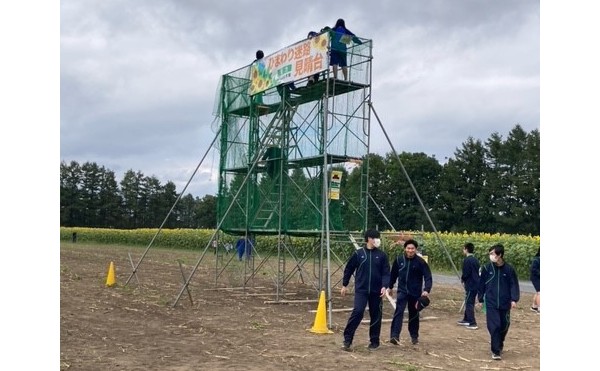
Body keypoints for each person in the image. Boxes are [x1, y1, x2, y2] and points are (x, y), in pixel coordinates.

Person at [341, 229, 390, 351]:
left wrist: (385, 286)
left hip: (376, 291)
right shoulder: (359, 254)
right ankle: (347, 339)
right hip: (361, 290)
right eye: (375, 238)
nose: (377, 240)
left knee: (376, 315)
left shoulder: (382, 255)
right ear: (368, 239)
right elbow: (349, 269)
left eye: (378, 238)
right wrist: (344, 284)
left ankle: (374, 341)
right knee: (358, 311)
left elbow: (386, 273)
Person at [477, 244, 520, 361]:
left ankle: (500, 342)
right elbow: (481, 284)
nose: (490, 256)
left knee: (504, 325)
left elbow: (514, 285)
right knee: (494, 326)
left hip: (505, 303)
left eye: (492, 253)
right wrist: (480, 298)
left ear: (499, 255)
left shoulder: (509, 269)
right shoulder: (486, 268)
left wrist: (514, 299)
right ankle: (495, 351)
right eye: (490, 253)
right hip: (491, 303)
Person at [387, 239, 432, 346]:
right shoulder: (399, 260)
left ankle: (414, 336)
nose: (410, 250)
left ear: (415, 249)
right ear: (405, 249)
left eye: (412, 248)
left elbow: (428, 277)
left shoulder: (421, 262)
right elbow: (393, 275)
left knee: (414, 314)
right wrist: (390, 287)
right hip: (402, 291)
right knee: (399, 312)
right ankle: (394, 336)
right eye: (408, 248)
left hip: (415, 293)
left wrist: (426, 290)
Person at [457, 242, 480, 329]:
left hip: (471, 284)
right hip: (476, 283)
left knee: (469, 302)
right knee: (468, 300)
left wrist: (463, 279)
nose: (463, 250)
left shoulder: (467, 260)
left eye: (463, 249)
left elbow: (466, 272)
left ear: (466, 249)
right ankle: (466, 319)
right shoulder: (475, 259)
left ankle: (472, 322)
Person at [530, 248, 540, 313]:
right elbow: (533, 270)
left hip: (539, 277)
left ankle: (534, 307)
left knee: (538, 292)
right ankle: (539, 308)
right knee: (540, 292)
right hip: (535, 278)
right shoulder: (536, 260)